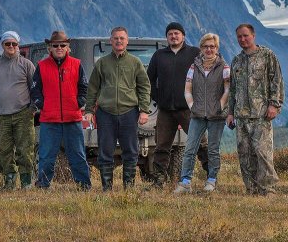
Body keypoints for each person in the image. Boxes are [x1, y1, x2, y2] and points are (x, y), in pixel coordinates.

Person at [84, 26, 151, 191]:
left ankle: (128, 188)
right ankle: (107, 188)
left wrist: (144, 110)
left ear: (127, 41)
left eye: (122, 38)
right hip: (105, 113)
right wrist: (89, 111)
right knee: (105, 151)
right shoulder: (102, 63)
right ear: (110, 41)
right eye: (116, 38)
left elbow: (144, 86)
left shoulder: (135, 63)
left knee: (131, 151)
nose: (119, 41)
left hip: (130, 112)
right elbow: (93, 88)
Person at [146, 22, 208, 185]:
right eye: (170, 34)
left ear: (183, 36)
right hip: (165, 110)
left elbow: (205, 76)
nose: (173, 36)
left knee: (201, 143)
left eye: (176, 33)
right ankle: (159, 180)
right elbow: (149, 80)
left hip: (189, 110)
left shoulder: (195, 53)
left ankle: (211, 175)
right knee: (161, 146)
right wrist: (158, 97)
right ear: (167, 37)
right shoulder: (159, 55)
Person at [226, 23, 284, 195]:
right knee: (245, 154)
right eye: (239, 37)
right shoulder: (237, 61)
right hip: (241, 115)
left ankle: (268, 190)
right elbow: (233, 89)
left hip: (261, 114)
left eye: (246, 35)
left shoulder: (267, 56)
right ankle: (251, 190)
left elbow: (277, 81)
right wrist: (230, 112)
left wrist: (274, 105)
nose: (242, 39)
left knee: (263, 153)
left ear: (253, 35)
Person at [31, 30, 91, 190]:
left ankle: (84, 185)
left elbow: (84, 87)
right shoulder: (41, 66)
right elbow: (35, 90)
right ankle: (43, 184)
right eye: (55, 45)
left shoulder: (76, 64)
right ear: (49, 47)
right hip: (49, 120)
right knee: (46, 156)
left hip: (73, 118)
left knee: (77, 154)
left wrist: (79, 102)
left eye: (62, 45)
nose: (59, 47)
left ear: (68, 47)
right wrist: (42, 105)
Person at [174, 33, 230, 194]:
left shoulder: (224, 68)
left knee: (213, 149)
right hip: (197, 115)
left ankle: (212, 180)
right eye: (205, 46)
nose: (209, 49)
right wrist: (192, 107)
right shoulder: (194, 67)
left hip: (216, 116)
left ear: (217, 48)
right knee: (190, 148)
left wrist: (219, 106)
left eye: (212, 46)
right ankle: (185, 182)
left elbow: (228, 90)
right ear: (201, 48)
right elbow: (187, 90)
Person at [0, 31, 36, 190]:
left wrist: (33, 109)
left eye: (14, 44)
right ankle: (9, 182)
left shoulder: (26, 64)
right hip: (2, 115)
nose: (11, 46)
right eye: (8, 44)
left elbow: (35, 89)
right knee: (5, 150)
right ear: (2, 45)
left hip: (23, 114)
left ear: (18, 45)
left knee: (25, 149)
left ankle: (27, 182)